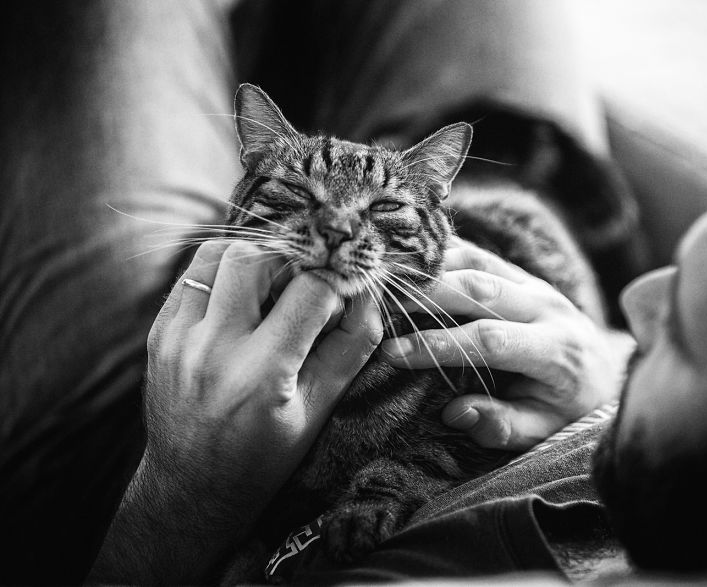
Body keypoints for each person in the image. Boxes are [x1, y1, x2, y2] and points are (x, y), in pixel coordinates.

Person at [88, 71, 707, 584]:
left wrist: (179, 494)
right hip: (522, 240)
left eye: (679, 335)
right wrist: (605, 370)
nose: (639, 309)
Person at [0, 1, 644, 584]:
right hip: (579, 350)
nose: (337, 228)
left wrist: (185, 487)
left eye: (381, 211)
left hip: (111, 442)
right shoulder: (681, 482)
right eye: (297, 194)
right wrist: (612, 372)